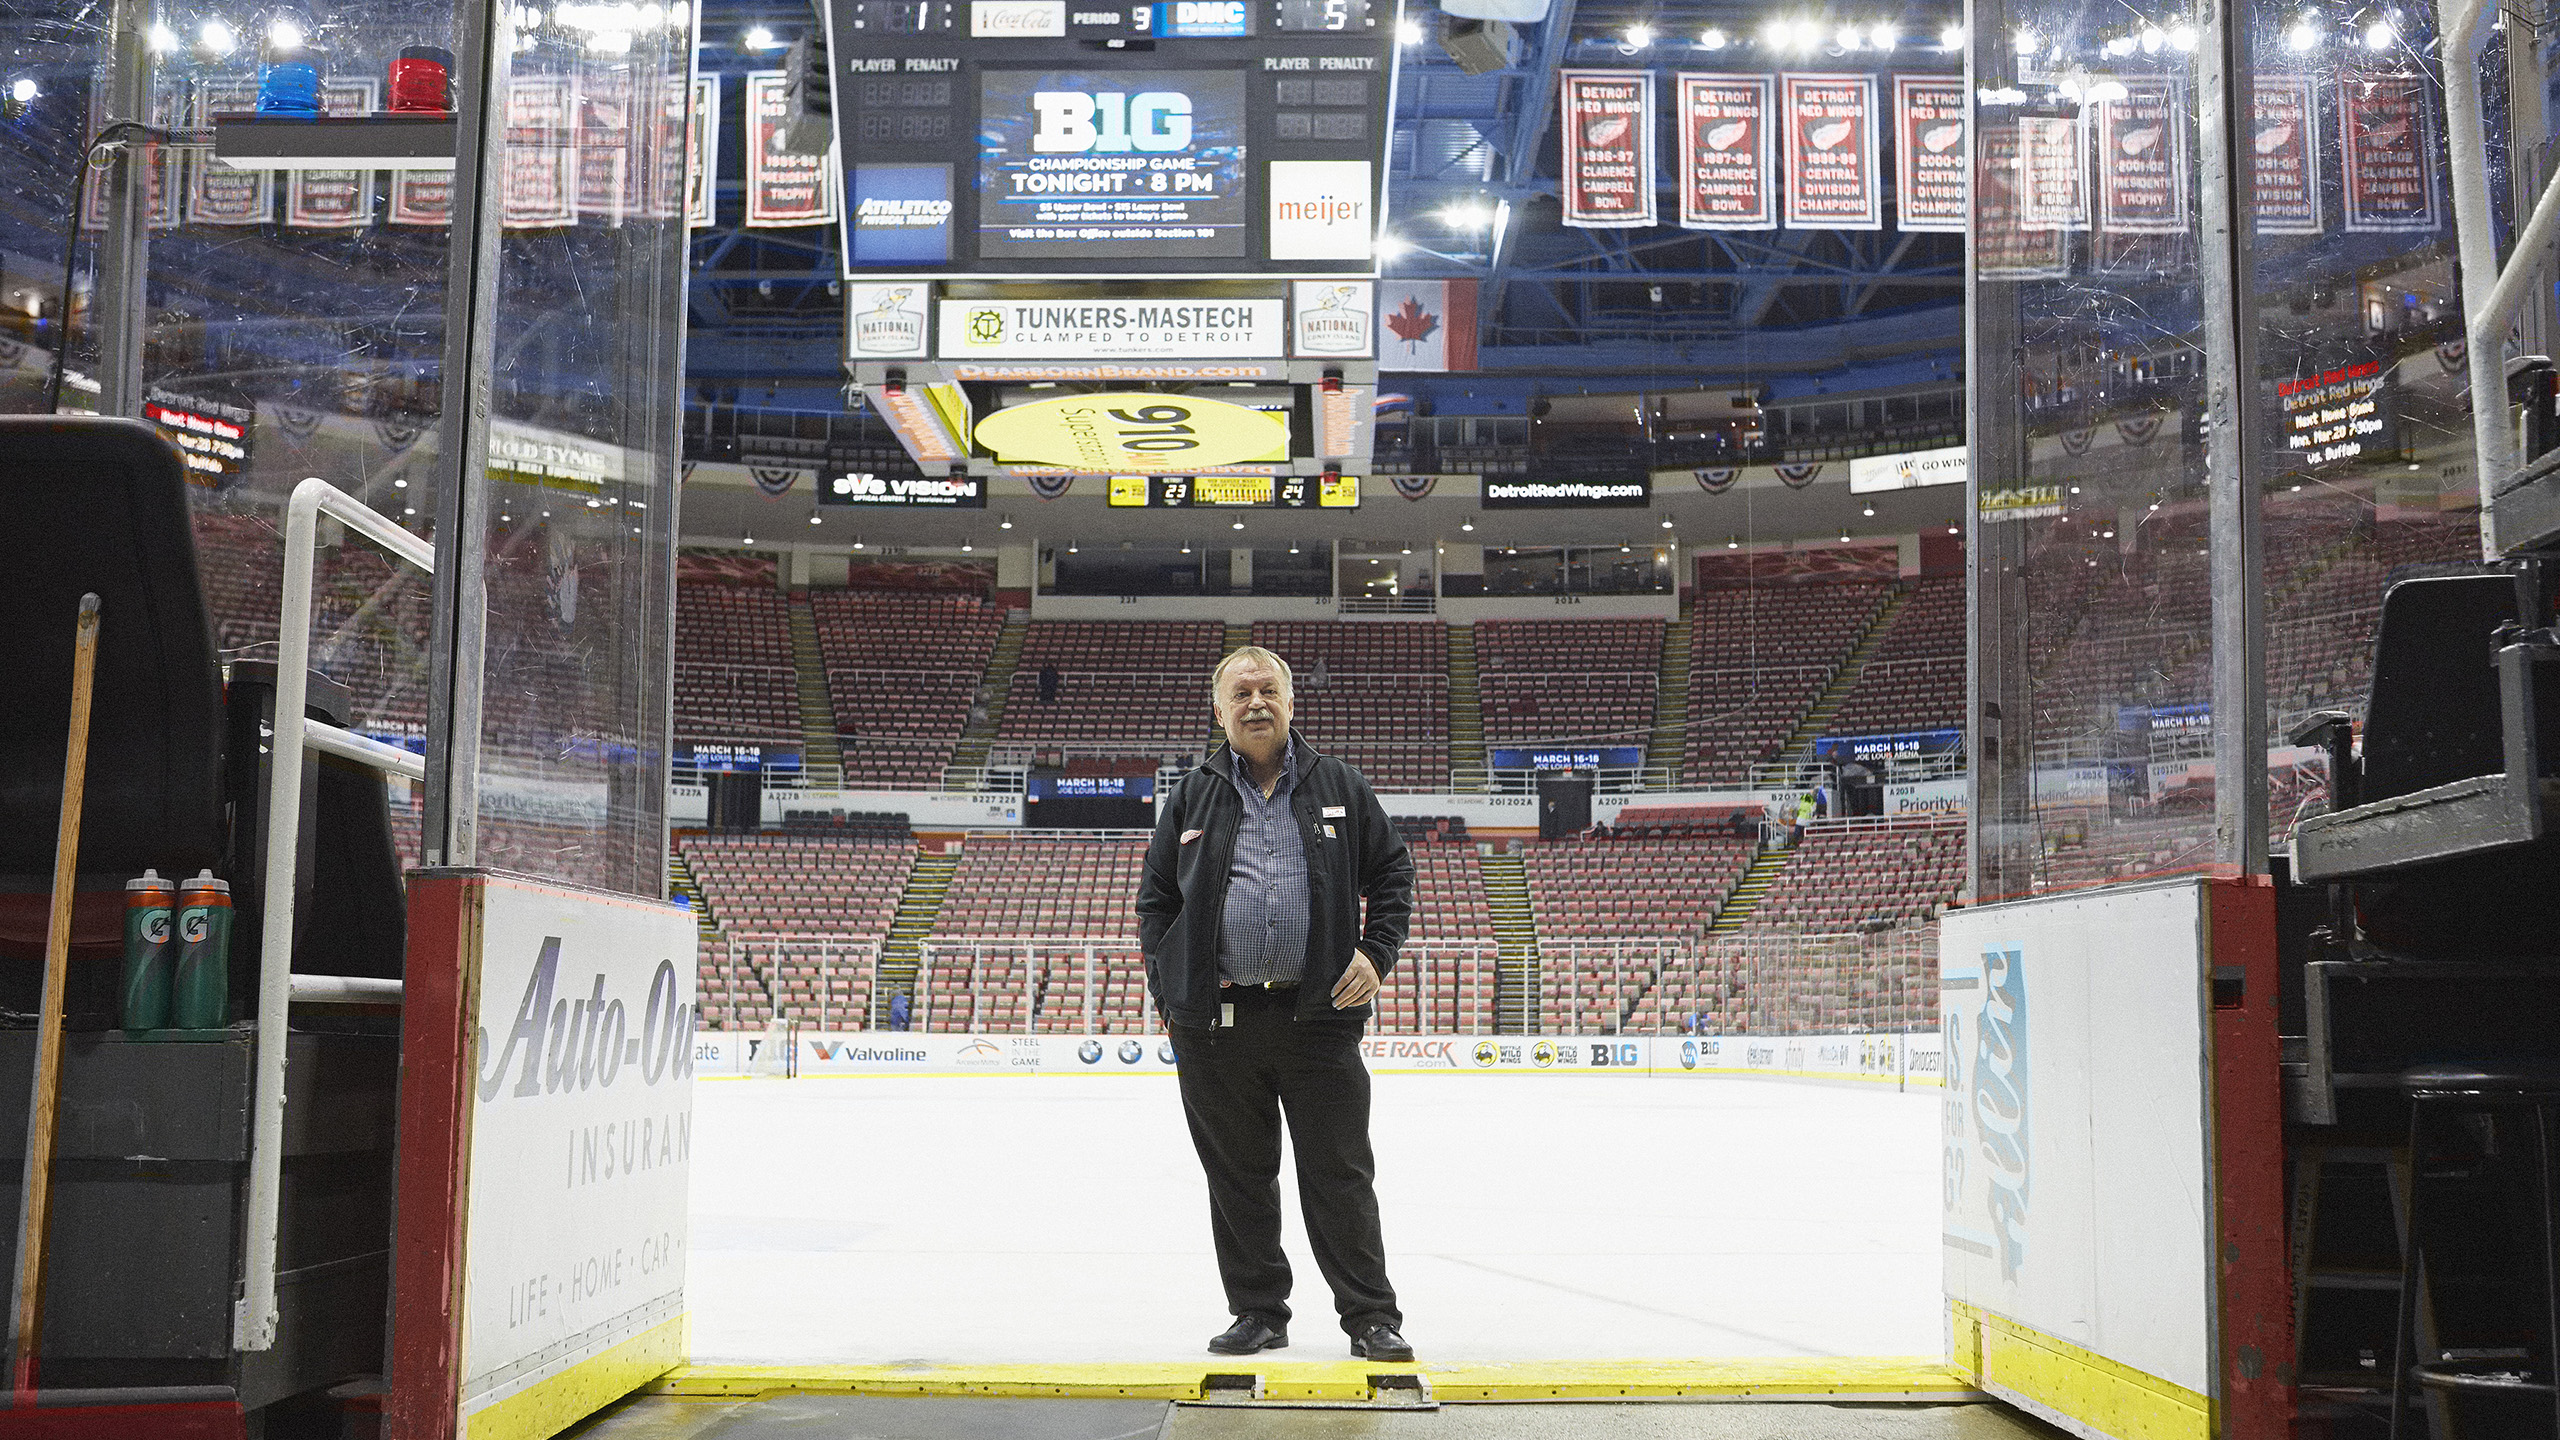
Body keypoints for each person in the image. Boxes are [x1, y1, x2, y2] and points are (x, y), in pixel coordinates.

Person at [1137, 646, 1417, 1363]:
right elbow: (1156, 902)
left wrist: (1375, 953)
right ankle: (1258, 1312)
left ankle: (1370, 1318)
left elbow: (1392, 874)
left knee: (1340, 1174)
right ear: (1219, 709)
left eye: (1268, 690)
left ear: (1292, 704)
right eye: (1241, 693)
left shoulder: (1340, 786)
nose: (1256, 702)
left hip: (1318, 1022)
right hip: (1217, 1028)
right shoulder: (1193, 794)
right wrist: (1170, 993)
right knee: (1238, 1178)